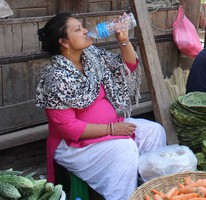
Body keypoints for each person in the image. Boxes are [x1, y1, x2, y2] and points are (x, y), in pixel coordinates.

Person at [35, 13, 166, 200]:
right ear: (64, 42)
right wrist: (111, 129)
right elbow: (69, 129)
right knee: (124, 149)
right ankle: (122, 196)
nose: (86, 31)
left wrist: (123, 40)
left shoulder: (91, 57)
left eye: (82, 27)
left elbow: (127, 65)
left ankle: (148, 190)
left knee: (154, 131)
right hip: (74, 146)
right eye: (78, 29)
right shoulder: (56, 78)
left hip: (109, 128)